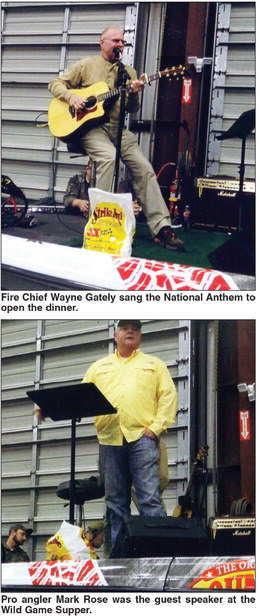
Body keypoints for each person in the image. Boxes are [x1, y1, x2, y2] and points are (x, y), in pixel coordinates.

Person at [48, 27, 186, 251]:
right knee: (108, 158)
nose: (119, 44)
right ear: (102, 42)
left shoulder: (129, 73)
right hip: (92, 130)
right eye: (115, 40)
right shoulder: (86, 65)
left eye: (122, 41)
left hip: (119, 129)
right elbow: (54, 84)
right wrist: (71, 96)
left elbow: (132, 109)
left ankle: (162, 228)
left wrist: (135, 92)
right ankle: (100, 224)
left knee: (144, 169)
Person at [82, 319, 178, 545]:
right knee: (115, 502)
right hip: (109, 439)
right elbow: (82, 394)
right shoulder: (99, 367)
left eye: (135, 329)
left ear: (140, 336)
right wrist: (49, 406)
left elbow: (168, 397)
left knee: (149, 497)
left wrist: (155, 429)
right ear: (115, 336)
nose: (131, 331)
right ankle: (120, 556)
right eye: (125, 328)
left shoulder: (154, 364)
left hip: (141, 438)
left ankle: (157, 553)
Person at [63, 160, 142, 218]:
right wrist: (79, 202)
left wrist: (128, 206)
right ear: (88, 169)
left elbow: (117, 200)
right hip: (77, 218)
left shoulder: (110, 182)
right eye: (96, 171)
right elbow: (67, 199)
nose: (97, 175)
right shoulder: (77, 180)